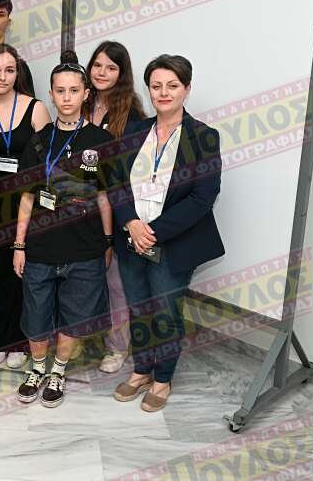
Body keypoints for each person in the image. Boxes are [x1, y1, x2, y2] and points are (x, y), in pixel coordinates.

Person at [112, 54, 224, 412]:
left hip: (171, 244)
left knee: (165, 312)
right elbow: (116, 184)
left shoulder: (204, 137)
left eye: (172, 85)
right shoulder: (134, 131)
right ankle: (141, 370)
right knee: (138, 309)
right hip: (131, 239)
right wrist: (131, 223)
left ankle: (162, 378)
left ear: (186, 89)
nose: (163, 92)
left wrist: (153, 232)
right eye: (156, 85)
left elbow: (203, 197)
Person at [12, 51, 113, 408]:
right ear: (51, 95)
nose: (67, 97)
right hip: (41, 247)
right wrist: (19, 245)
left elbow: (104, 196)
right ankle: (37, 368)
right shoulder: (38, 141)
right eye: (60, 90)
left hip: (84, 247)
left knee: (74, 314)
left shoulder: (101, 141)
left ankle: (58, 370)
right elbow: (27, 197)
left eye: (73, 90)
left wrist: (107, 241)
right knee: (36, 314)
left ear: (86, 93)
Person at [0, 44, 50, 369]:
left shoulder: (35, 109)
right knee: (2, 274)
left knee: (24, 274)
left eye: (9, 70)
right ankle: (3, 335)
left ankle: (19, 339)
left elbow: (49, 164)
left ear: (18, 73)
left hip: (27, 205)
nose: (2, 76)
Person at [83, 41, 146, 374]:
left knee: (116, 281)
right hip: (79, 205)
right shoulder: (80, 100)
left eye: (111, 67)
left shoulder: (131, 113)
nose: (102, 72)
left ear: (121, 74)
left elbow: (130, 169)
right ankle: (84, 336)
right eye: (97, 65)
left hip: (114, 204)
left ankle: (117, 347)